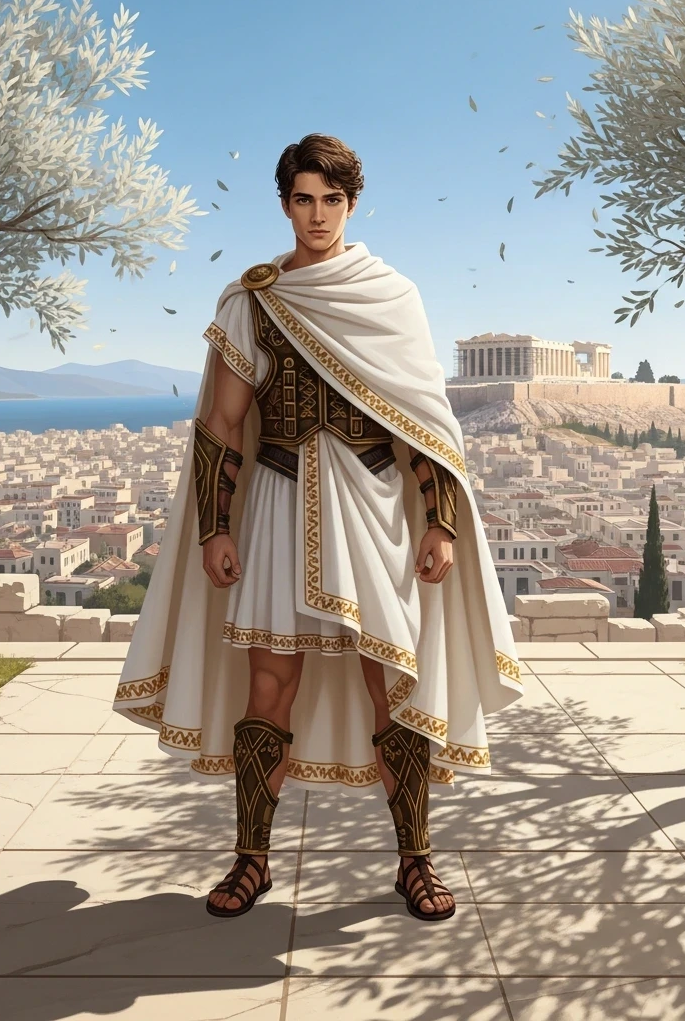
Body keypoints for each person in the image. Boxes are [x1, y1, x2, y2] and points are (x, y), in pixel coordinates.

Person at [113, 133, 523, 923]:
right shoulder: (252, 299)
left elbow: (421, 422)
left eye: (331, 200)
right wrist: (213, 530)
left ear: (352, 204)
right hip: (272, 500)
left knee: (390, 684)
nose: (317, 214)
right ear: (284, 203)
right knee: (270, 683)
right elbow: (220, 423)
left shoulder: (389, 295)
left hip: (373, 509)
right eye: (303, 199)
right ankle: (250, 860)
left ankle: (415, 861)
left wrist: (438, 521)